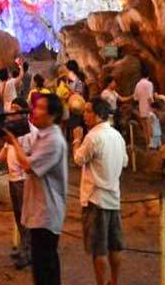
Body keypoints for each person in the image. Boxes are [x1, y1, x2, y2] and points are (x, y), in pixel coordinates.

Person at [5, 94, 68, 285]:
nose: (34, 111)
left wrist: (13, 140)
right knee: (41, 267)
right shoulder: (41, 135)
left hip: (47, 211)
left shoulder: (53, 140)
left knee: (46, 267)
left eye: (40, 108)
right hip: (39, 209)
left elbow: (28, 166)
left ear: (52, 115)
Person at [73, 98, 128, 285]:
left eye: (88, 111)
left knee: (99, 249)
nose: (84, 114)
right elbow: (125, 162)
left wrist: (76, 140)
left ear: (98, 115)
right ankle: (114, 281)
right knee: (115, 246)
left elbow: (78, 159)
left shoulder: (93, 137)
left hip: (95, 199)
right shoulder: (117, 136)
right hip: (114, 197)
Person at [0, 97, 36, 269]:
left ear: (24, 112)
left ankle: (28, 252)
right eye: (12, 109)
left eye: (16, 109)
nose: (12, 113)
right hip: (13, 179)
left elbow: (33, 157)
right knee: (18, 216)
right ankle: (24, 248)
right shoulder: (13, 131)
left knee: (25, 218)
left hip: (24, 180)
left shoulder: (32, 132)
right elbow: (5, 148)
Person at [133, 65, 155, 148]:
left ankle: (147, 145)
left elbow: (135, 98)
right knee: (150, 128)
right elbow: (150, 97)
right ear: (148, 75)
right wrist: (154, 104)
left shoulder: (138, 84)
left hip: (141, 108)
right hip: (149, 109)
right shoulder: (149, 84)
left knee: (144, 129)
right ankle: (151, 145)